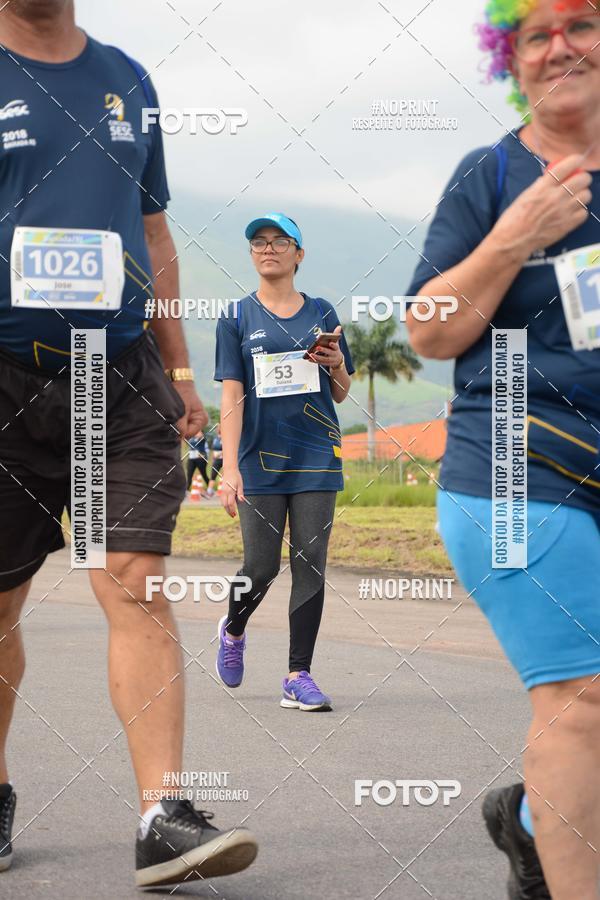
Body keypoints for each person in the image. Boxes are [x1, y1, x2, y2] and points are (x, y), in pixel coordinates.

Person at [0, 0, 257, 887]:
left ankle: (163, 817)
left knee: (137, 583)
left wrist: (182, 368)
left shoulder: (127, 80)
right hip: (3, 379)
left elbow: (152, 231)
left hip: (116, 372)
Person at [406, 1, 600, 897]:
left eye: (583, 24)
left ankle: (528, 819)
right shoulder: (489, 173)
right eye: (535, 34)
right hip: (520, 469)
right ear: (510, 61)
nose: (560, 46)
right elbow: (429, 332)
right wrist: (517, 233)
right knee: (582, 702)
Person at [213, 213, 354, 711]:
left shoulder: (321, 311)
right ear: (251, 255)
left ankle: (298, 675)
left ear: (299, 253)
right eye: (258, 242)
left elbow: (339, 391)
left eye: (279, 241)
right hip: (258, 460)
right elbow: (232, 395)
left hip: (317, 456)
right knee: (262, 566)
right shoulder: (236, 317)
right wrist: (229, 468)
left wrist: (336, 365)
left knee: (309, 562)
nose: (267, 248)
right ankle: (233, 628)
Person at [206, 423, 223, 497]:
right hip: (216, 460)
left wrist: (220, 454)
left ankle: (226, 490)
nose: (218, 429)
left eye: (219, 428)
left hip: (224, 459)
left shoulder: (225, 438)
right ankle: (209, 491)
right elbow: (212, 449)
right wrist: (213, 458)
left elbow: (226, 448)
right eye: (218, 428)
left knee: (225, 475)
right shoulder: (216, 438)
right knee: (213, 475)